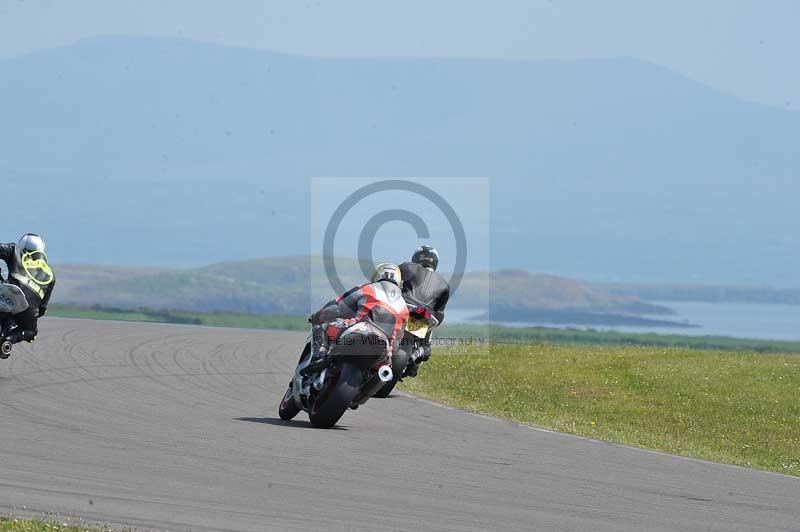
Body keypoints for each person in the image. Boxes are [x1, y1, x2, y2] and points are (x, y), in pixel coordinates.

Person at [307, 262, 409, 364]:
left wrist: (319, 316)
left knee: (321, 328)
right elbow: (397, 341)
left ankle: (317, 360)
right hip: (384, 349)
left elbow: (339, 308)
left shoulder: (368, 288)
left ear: (377, 275)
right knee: (384, 371)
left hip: (360, 330)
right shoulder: (404, 306)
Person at [399, 245, 450, 373]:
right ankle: (419, 351)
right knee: (426, 346)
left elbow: (390, 278)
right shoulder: (444, 284)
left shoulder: (408, 267)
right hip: (425, 316)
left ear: (416, 258)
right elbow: (439, 313)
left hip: (405, 307)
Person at [0, 234, 56, 344]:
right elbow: (42, 309)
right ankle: (9, 340)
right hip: (28, 309)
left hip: (9, 291)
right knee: (31, 331)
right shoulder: (51, 276)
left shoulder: (15, 250)